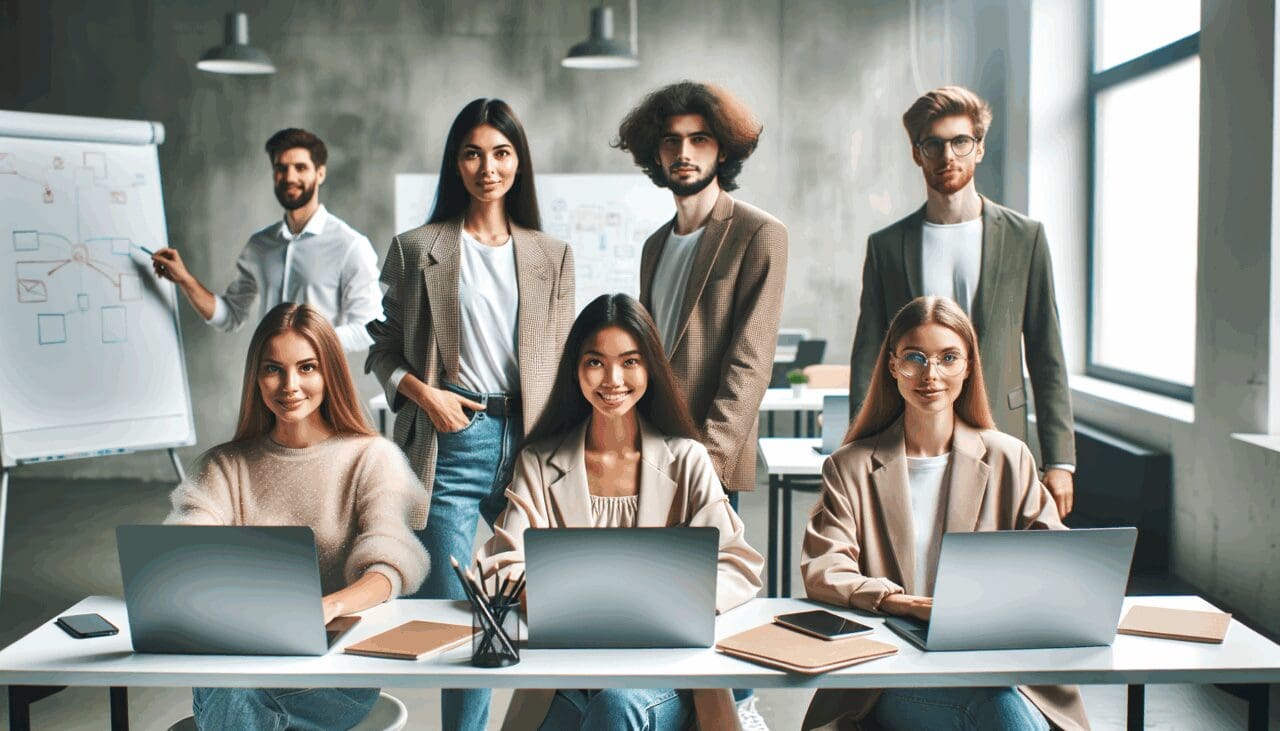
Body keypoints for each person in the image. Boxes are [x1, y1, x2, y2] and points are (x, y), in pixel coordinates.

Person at [365, 98, 575, 731]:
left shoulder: (551, 253)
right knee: (459, 616)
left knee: (558, 596)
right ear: (456, 162)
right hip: (451, 442)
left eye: (502, 153)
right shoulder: (414, 249)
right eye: (474, 153)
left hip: (532, 442)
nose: (489, 167)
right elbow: (382, 346)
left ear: (519, 162)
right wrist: (425, 393)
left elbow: (564, 360)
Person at [475, 293, 763, 730]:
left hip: (666, 671)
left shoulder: (687, 459)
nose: (612, 379)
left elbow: (738, 564)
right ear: (576, 369)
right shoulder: (538, 460)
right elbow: (500, 563)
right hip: (566, 672)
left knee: (616, 707)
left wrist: (670, 602)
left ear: (651, 369)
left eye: (630, 361)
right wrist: (544, 595)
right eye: (595, 362)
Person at [802, 296, 1088, 731]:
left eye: (948, 358)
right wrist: (902, 603)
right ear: (893, 366)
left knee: (999, 700)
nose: (930, 375)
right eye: (915, 358)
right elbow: (825, 569)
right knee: (997, 711)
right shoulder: (850, 465)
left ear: (969, 366)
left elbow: (1055, 561)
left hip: (995, 661)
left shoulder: (1011, 458)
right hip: (890, 671)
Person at [165, 303, 429, 730]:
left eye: (307, 368)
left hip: (336, 671)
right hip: (241, 657)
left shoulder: (371, 457)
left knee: (230, 695)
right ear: (256, 375)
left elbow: (390, 566)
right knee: (230, 687)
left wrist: (329, 605)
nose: (289, 385)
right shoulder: (224, 465)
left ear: (330, 374)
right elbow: (184, 551)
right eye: (274, 369)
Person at [615, 82, 785, 726]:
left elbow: (750, 360)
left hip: (708, 459)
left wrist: (703, 462)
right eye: (671, 142)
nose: (684, 153)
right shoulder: (655, 244)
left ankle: (736, 711)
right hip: (650, 452)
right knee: (661, 602)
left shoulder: (758, 234)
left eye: (699, 140)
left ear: (723, 148)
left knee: (713, 596)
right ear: (654, 155)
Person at [848, 86, 1077, 518]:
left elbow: (1048, 355)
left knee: (999, 563)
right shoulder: (887, 246)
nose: (946, 156)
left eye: (960, 142)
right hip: (910, 428)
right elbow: (869, 355)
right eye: (932, 144)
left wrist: (1060, 461)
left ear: (979, 149)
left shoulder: (1025, 237)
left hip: (1001, 429)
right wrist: (858, 445)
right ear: (917, 154)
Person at [151, 128, 383, 352]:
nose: (290, 177)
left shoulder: (350, 246)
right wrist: (185, 280)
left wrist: (306, 344)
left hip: (321, 384)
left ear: (320, 173)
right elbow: (230, 316)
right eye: (281, 168)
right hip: (267, 381)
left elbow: (371, 328)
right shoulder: (259, 246)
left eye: (300, 167)